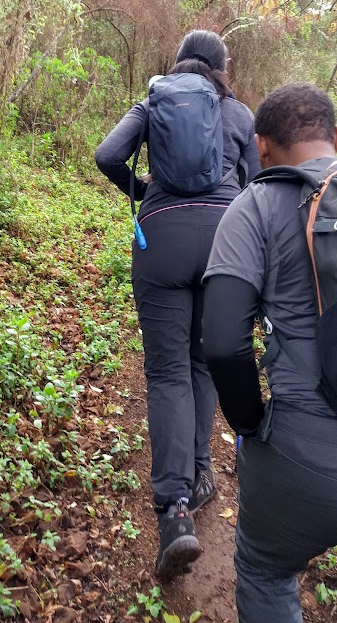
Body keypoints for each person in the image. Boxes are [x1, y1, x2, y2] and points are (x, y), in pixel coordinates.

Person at [95, 30, 261, 579]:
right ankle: (202, 470)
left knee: (167, 374)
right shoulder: (239, 114)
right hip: (226, 243)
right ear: (220, 67)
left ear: (179, 62)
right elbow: (258, 186)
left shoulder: (155, 102)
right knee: (202, 363)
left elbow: (107, 155)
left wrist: (143, 190)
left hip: (162, 239)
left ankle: (174, 513)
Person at [202, 82, 337, 623]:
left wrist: (252, 427)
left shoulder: (255, 206)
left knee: (265, 570)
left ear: (260, 146)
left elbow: (223, 342)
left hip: (303, 456)